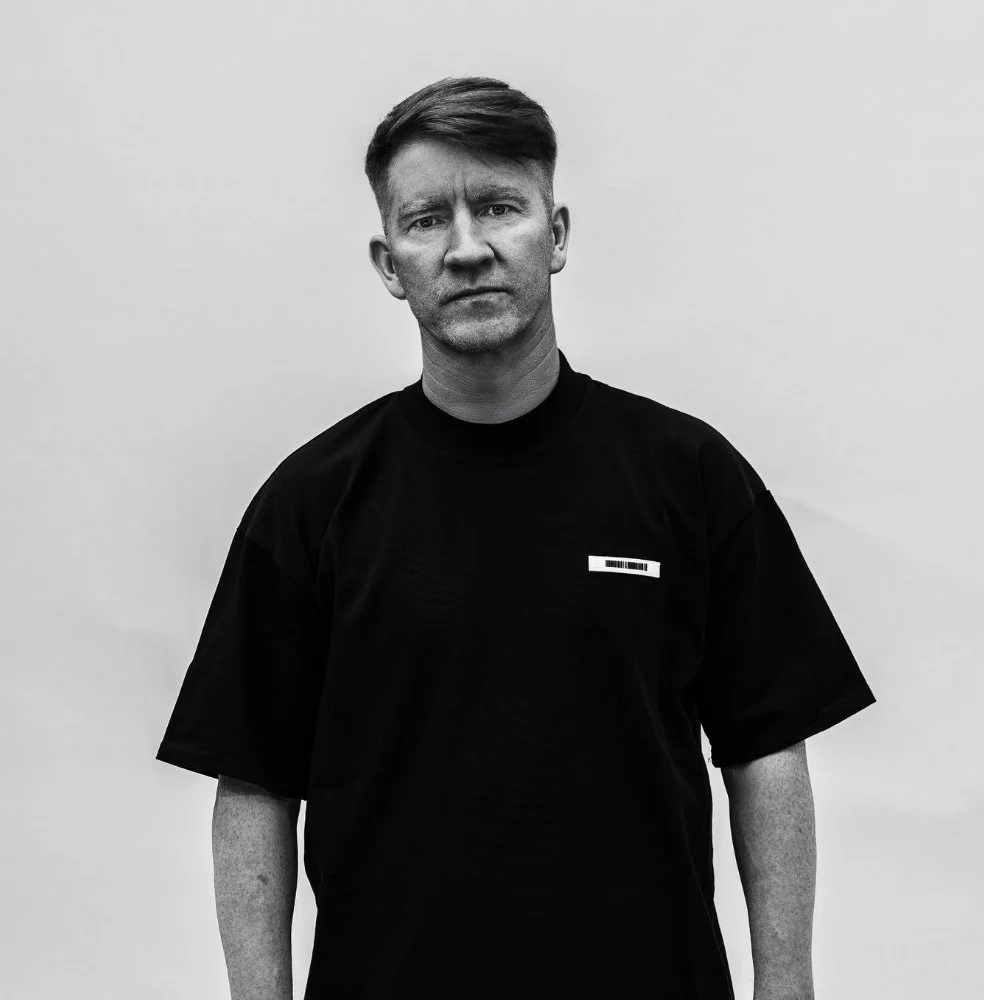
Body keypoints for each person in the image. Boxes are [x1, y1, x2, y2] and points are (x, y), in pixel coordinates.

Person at [156, 76, 877, 1000]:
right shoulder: (312, 502)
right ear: (389, 263)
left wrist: (789, 989)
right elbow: (256, 782)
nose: (467, 249)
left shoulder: (689, 475)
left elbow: (765, 746)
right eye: (427, 220)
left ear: (557, 234)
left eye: (500, 207)